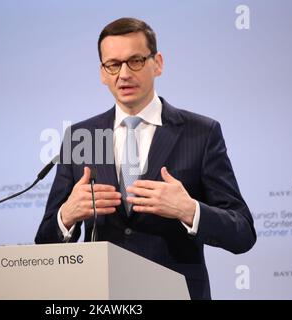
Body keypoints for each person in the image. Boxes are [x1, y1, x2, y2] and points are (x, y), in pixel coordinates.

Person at [35, 17, 256, 300]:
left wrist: (189, 210)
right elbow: (45, 241)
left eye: (136, 61)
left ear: (158, 63)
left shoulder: (200, 132)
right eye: (113, 65)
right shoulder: (84, 136)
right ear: (103, 73)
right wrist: (67, 216)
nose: (123, 74)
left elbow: (243, 233)